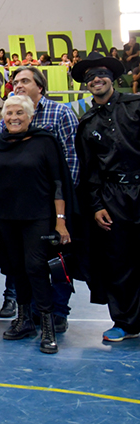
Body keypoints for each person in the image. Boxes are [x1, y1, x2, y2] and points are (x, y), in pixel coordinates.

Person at [0, 95, 73, 354]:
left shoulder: (45, 142)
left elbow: (58, 182)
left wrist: (61, 222)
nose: (14, 117)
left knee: (36, 267)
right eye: (9, 113)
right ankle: (24, 321)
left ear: (30, 116)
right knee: (16, 269)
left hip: (38, 218)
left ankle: (47, 326)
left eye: (20, 112)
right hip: (5, 219)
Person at [72, 51, 140, 342]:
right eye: (90, 77)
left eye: (101, 74)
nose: (96, 80)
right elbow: (89, 170)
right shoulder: (87, 123)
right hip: (113, 197)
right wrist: (97, 204)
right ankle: (125, 322)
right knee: (118, 261)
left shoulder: (135, 106)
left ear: (112, 78)